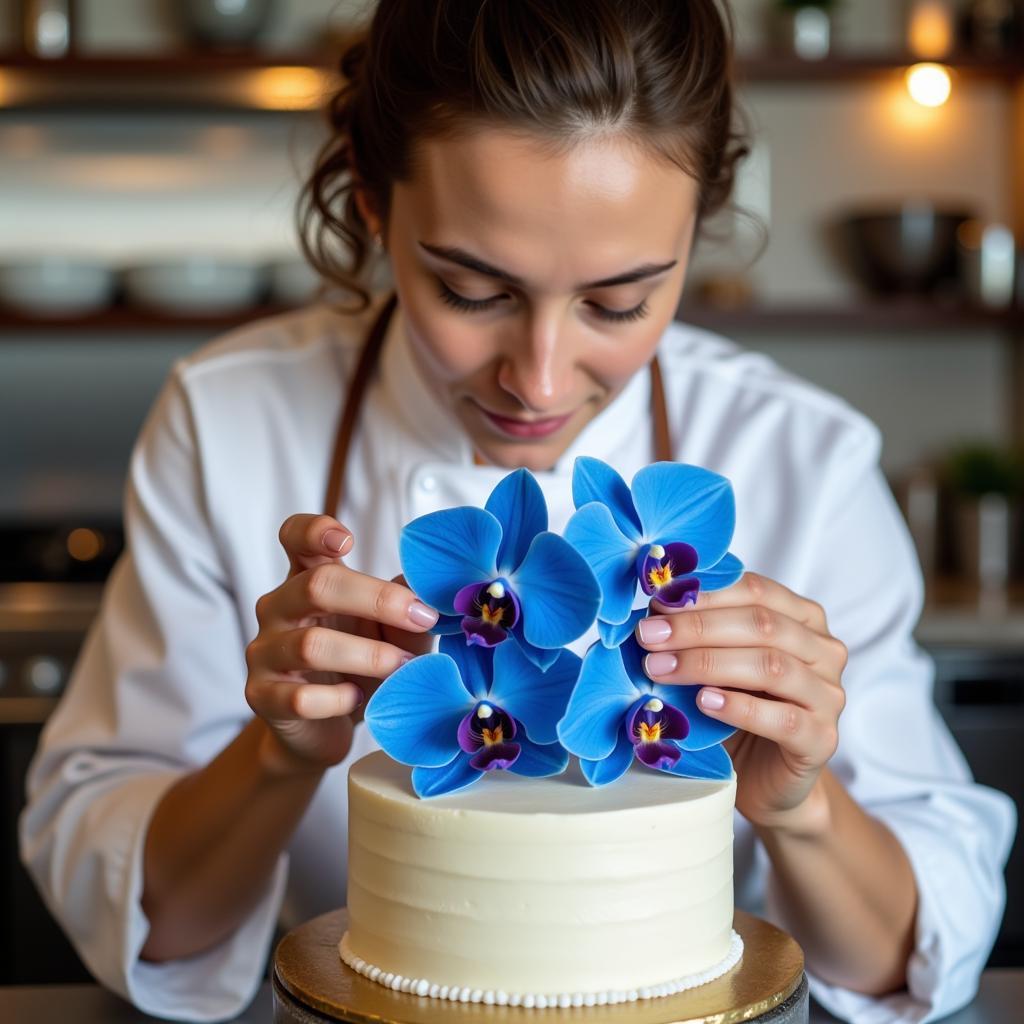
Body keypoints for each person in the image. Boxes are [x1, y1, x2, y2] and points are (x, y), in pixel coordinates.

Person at [19, 2, 1014, 1022]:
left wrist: (800, 806)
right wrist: (277, 753)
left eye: (618, 302)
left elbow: (918, 950)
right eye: (468, 289)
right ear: (370, 198)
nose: (537, 379)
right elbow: (141, 920)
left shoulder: (800, 456)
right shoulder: (228, 420)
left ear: (696, 227)